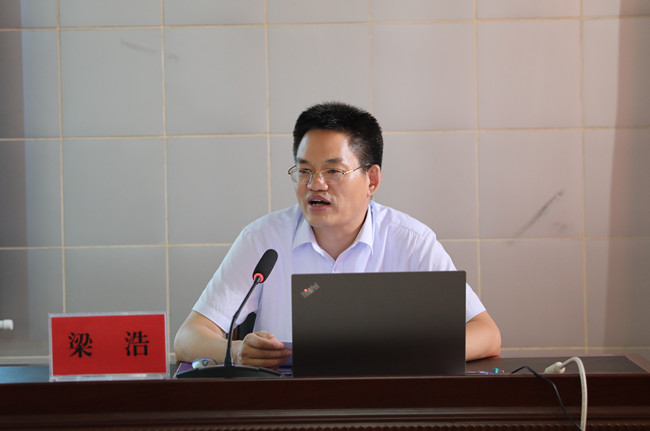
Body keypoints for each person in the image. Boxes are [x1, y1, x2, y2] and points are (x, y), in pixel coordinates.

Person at [174, 102, 501, 368]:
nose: (315, 184)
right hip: (286, 409)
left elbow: (486, 334)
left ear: (372, 180)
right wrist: (236, 352)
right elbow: (188, 338)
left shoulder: (410, 241)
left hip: (387, 408)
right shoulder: (263, 239)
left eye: (333, 170)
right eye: (305, 170)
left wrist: (402, 349)